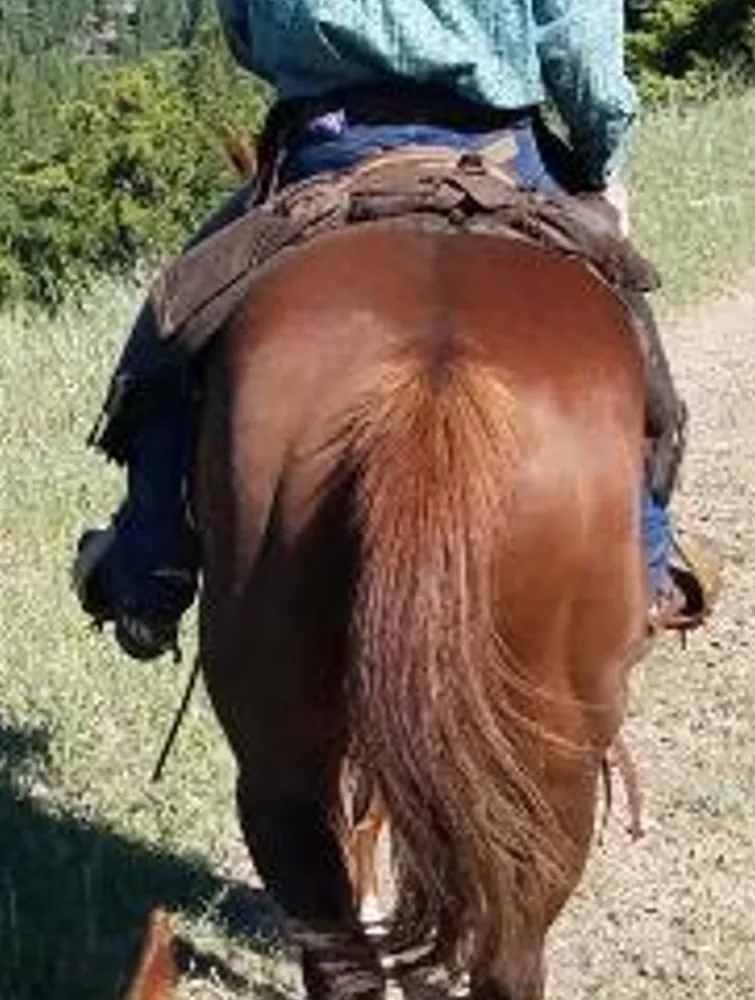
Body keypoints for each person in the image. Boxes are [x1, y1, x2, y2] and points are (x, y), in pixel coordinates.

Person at [71, 1, 714, 661]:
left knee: (172, 326)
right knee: (626, 330)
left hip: (325, 151)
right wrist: (603, 163)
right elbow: (578, 41)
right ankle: (647, 561)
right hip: (500, 153)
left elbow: (246, 29)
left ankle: (150, 573)